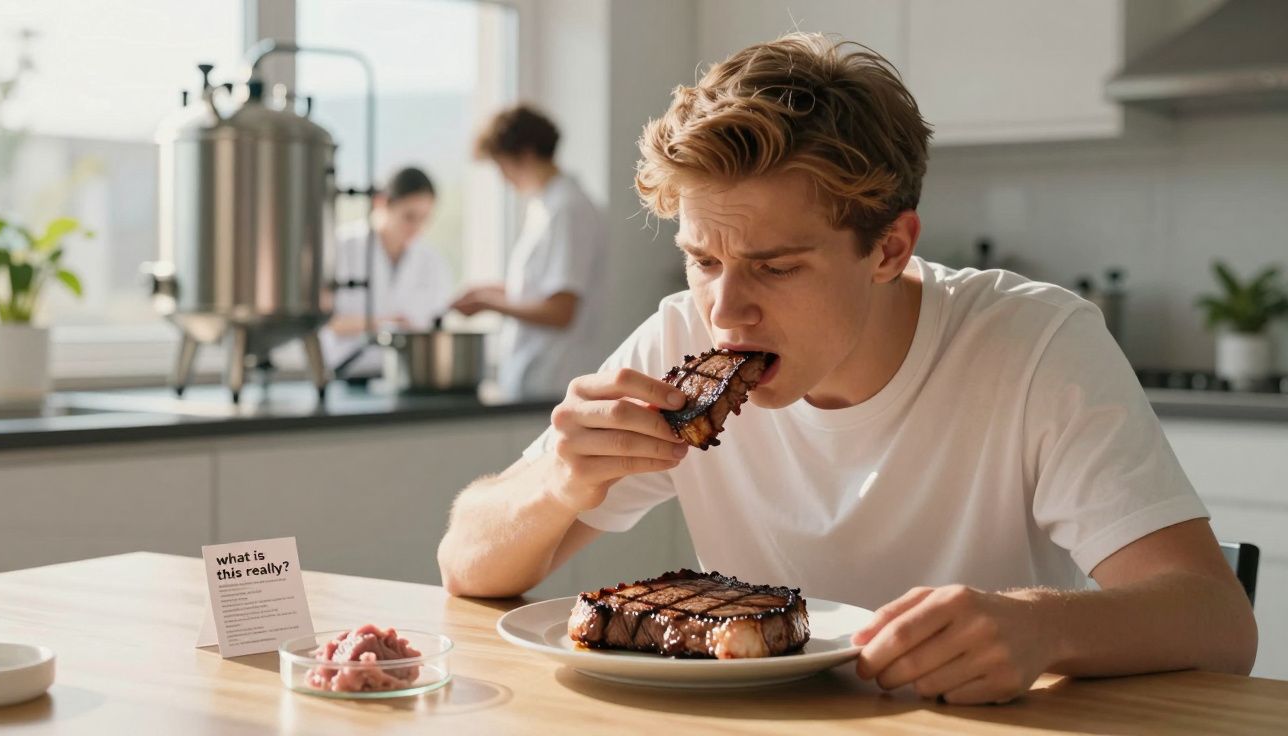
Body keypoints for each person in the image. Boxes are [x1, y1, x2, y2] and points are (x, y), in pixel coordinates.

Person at [437, 34, 1256, 704]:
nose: (726, 311)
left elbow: (1220, 620)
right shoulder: (679, 340)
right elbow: (464, 564)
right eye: (703, 260)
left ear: (889, 249)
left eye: (776, 267)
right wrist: (557, 485)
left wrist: (1043, 627)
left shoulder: (1035, 343)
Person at [451, 105, 607, 400]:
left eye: (501, 165)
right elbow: (542, 290)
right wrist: (489, 292)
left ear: (525, 155)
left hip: (555, 377)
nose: (503, 178)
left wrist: (489, 303)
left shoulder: (567, 210)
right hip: (537, 377)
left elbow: (561, 311)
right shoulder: (547, 206)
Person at [321, 166, 454, 376]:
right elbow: (323, 322)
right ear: (381, 203)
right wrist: (385, 323)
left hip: (406, 375)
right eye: (409, 217)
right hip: (346, 373)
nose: (417, 227)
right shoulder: (340, 248)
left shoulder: (431, 261)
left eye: (424, 218)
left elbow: (435, 323)